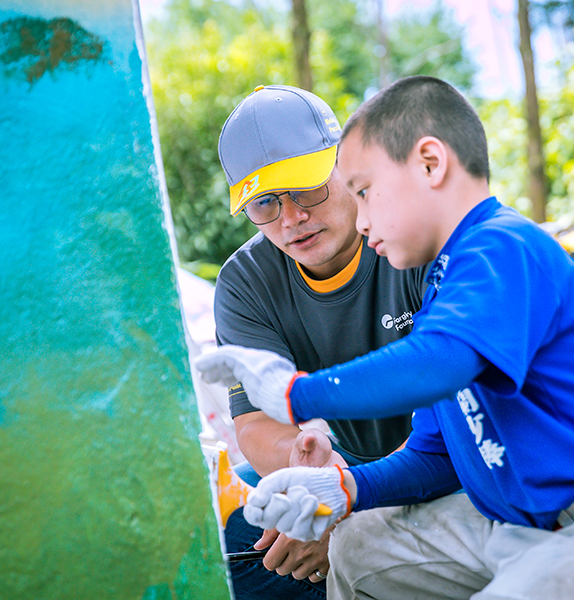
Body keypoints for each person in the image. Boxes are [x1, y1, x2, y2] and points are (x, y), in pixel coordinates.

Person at [196, 75, 574, 600]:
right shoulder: (441, 269)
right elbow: (436, 451)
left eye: (363, 190)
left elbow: (438, 362)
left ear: (429, 165)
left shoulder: (501, 248)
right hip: (515, 522)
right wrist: (340, 489)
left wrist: (296, 393)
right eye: (265, 205)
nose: (362, 217)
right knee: (350, 549)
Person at [212, 84, 435, 600]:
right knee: (230, 542)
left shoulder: (413, 237)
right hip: (348, 462)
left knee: (355, 541)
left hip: (447, 455)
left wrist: (347, 501)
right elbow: (256, 422)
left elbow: (458, 413)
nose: (291, 219)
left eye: (306, 188)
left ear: (345, 164)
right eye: (265, 203)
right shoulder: (245, 281)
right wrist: (311, 471)